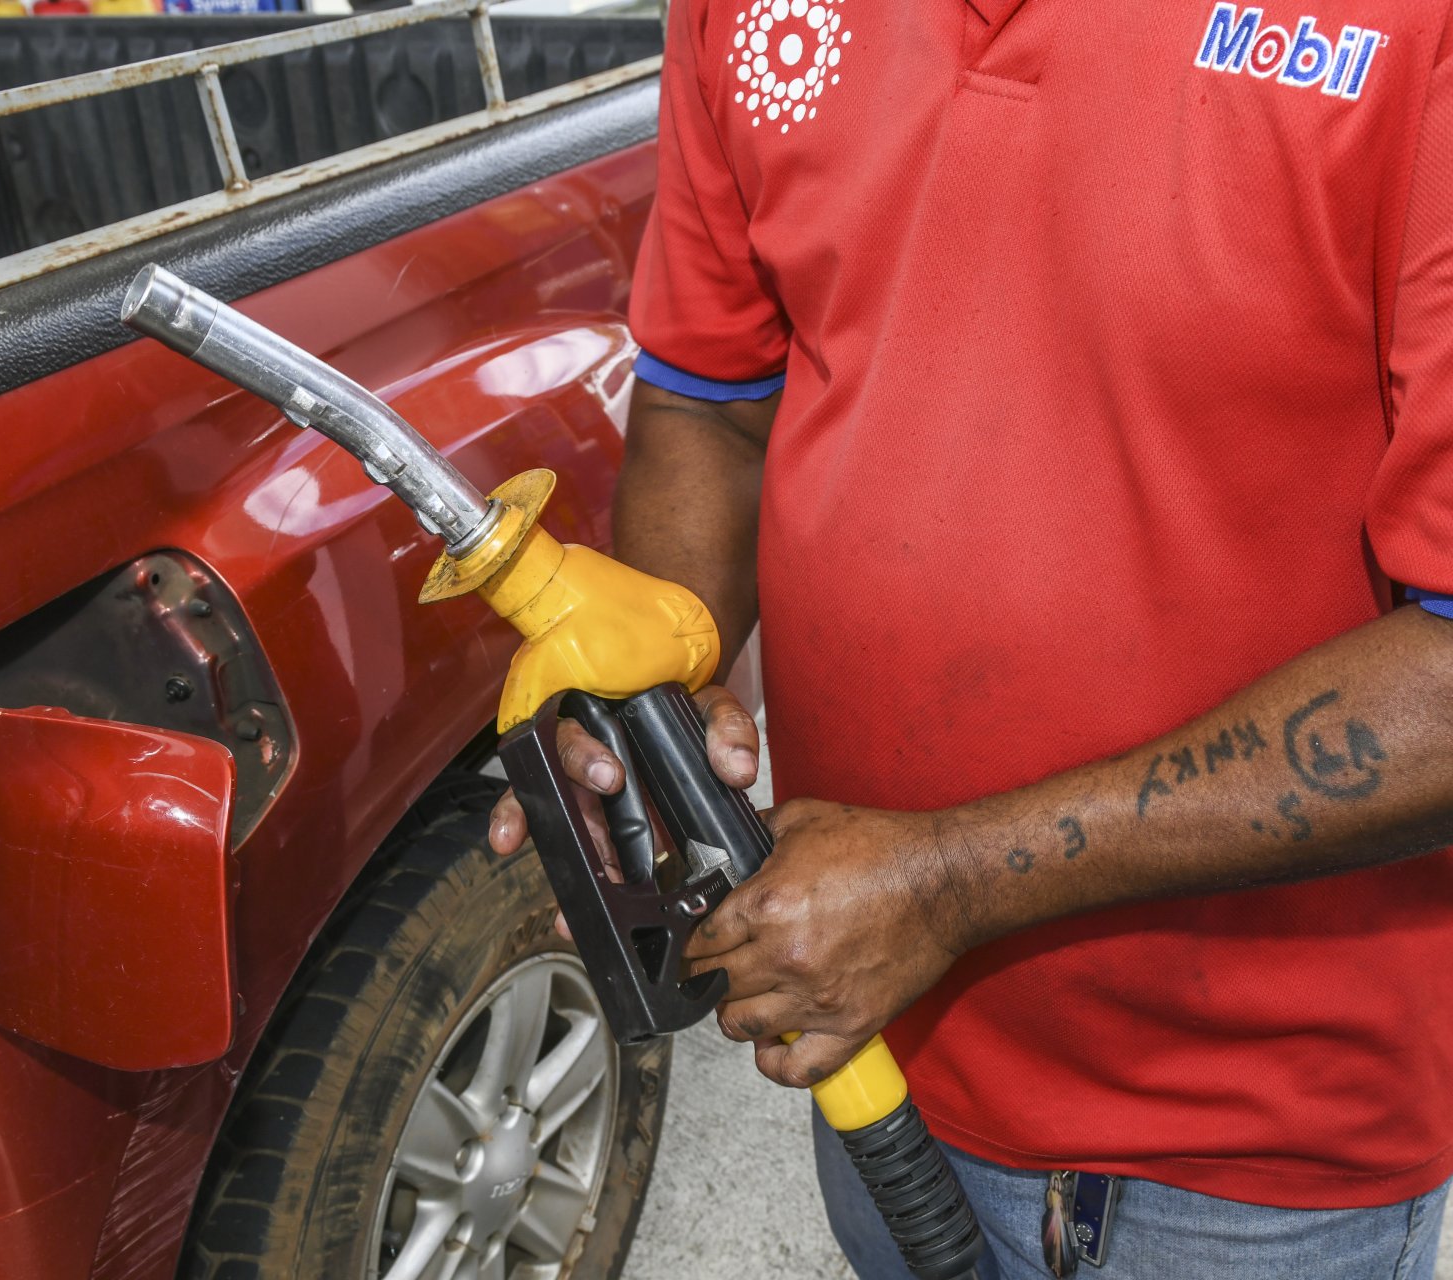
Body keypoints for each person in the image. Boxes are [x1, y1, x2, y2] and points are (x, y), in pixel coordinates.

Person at [488, 1, 1453, 1275]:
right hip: (876, 1056)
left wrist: (949, 879)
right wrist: (658, 702)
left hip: (1248, 1153)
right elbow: (710, 406)